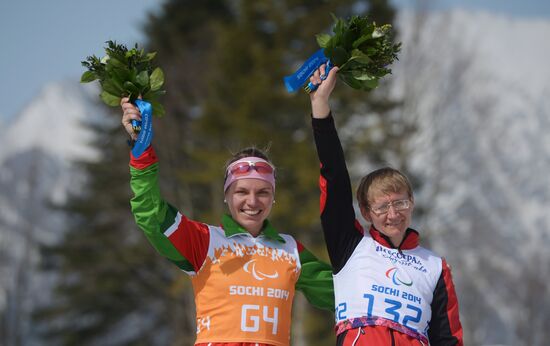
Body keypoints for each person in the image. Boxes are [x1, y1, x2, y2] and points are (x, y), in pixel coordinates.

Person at [120, 97, 334, 346]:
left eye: (263, 192)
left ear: (273, 197)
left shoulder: (290, 251)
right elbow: (151, 214)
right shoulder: (204, 241)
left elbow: (348, 293)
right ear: (226, 195)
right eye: (241, 192)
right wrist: (141, 146)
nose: (252, 202)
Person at [307, 66, 464, 345]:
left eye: (400, 203)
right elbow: (335, 178)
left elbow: (448, 338)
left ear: (412, 203)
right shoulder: (351, 246)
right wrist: (320, 106)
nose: (393, 214)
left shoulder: (435, 268)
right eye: (381, 208)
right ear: (366, 212)